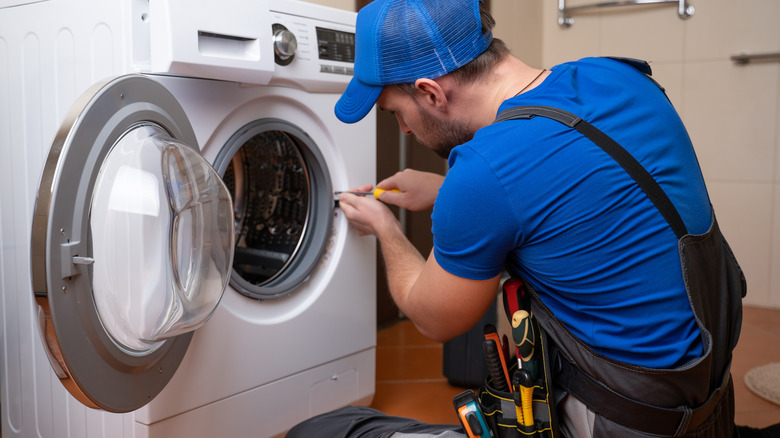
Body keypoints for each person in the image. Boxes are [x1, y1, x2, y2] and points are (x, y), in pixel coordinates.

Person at [288, 0, 779, 436]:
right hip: (707, 405)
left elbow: (432, 316)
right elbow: (585, 195)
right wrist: (443, 192)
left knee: (324, 429)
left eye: (396, 111)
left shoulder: (484, 170)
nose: (404, 129)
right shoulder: (617, 76)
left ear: (431, 92)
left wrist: (385, 228)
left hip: (623, 421)